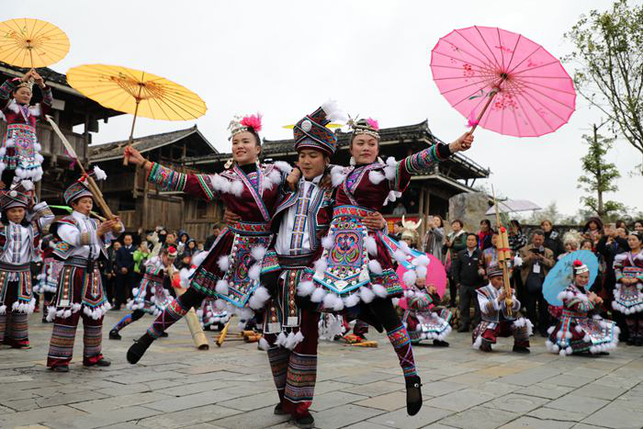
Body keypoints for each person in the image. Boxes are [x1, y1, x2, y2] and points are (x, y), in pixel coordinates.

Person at [299, 116, 473, 416]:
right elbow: (306, 148)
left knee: (389, 317)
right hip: (334, 254)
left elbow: (413, 163)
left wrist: (450, 147)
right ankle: (297, 393)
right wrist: (322, 116)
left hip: (365, 252)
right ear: (350, 148)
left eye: (371, 143)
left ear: (378, 147)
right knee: (305, 302)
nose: (366, 147)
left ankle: (411, 377)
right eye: (360, 143)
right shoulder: (337, 174)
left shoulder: (384, 171)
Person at [124, 113, 290, 364]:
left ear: (258, 148)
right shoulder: (224, 180)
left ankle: (282, 342)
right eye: (235, 142)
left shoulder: (276, 172)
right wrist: (145, 164)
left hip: (268, 246)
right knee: (193, 295)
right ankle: (149, 335)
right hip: (233, 245)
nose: (240, 146)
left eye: (246, 141)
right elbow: (186, 181)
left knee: (276, 289)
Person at [46, 169, 122, 372]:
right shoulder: (65, 222)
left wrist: (115, 225)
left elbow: (113, 236)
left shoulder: (94, 221)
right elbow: (75, 239)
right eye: (85, 202)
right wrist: (99, 231)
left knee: (95, 314)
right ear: (74, 204)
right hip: (73, 271)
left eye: (90, 201)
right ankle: (59, 360)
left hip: (93, 271)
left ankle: (93, 356)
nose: (89, 205)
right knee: (68, 313)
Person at [0, 181, 54, 347]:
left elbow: (49, 216)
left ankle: (18, 338)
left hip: (23, 272)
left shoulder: (32, 227)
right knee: (1, 305)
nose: (17, 214)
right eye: (13, 211)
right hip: (2, 271)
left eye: (20, 210)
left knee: (21, 305)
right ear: (5, 212)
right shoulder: (1, 227)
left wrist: (32, 205)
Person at [546, 260, 619, 355]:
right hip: (571, 325)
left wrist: (598, 301)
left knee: (606, 329)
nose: (583, 280)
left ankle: (595, 347)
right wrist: (592, 300)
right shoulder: (568, 292)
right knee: (590, 339)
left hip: (582, 322)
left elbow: (591, 309)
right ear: (574, 277)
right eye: (581, 277)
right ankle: (586, 347)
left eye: (586, 277)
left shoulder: (584, 290)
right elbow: (581, 308)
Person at [109, 247, 177, 339]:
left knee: (165, 310)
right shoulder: (154, 260)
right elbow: (148, 269)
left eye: (172, 260)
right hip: (147, 290)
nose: (170, 262)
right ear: (164, 255)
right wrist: (162, 271)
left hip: (158, 291)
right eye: (168, 259)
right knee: (137, 314)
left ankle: (158, 329)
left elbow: (176, 273)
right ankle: (115, 330)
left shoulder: (170, 265)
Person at [0, 69, 52, 186]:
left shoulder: (34, 111)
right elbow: (2, 93)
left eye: (28, 94)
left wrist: (41, 84)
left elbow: (48, 102)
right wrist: (22, 80)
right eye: (22, 93)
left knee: (27, 184)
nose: (26, 95)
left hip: (29, 150)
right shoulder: (10, 107)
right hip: (12, 148)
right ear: (14, 94)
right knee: (8, 180)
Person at [472, 268, 531, 353]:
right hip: (490, 322)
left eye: (502, 279)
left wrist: (511, 302)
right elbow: (484, 308)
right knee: (487, 337)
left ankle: (519, 345)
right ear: (490, 279)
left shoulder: (507, 289)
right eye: (498, 279)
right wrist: (499, 299)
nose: (501, 282)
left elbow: (517, 307)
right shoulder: (482, 291)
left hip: (506, 322)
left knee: (521, 324)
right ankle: (485, 344)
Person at [519, 230, 555, 336]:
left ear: (543, 240)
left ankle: (543, 329)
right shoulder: (524, 250)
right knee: (530, 307)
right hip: (529, 281)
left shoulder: (548, 251)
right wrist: (529, 257)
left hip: (544, 282)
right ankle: (531, 328)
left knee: (544, 307)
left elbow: (552, 264)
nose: (538, 241)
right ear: (532, 239)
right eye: (536, 239)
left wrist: (543, 259)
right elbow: (518, 263)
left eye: (540, 239)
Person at [401, 276, 452, 347]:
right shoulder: (410, 291)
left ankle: (438, 339)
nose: (422, 284)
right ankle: (414, 339)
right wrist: (430, 295)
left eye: (424, 281)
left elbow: (437, 302)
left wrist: (434, 293)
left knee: (445, 312)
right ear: (415, 281)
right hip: (414, 315)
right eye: (419, 282)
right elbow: (417, 304)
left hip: (426, 313)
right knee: (416, 324)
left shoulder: (427, 288)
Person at [613, 232, 643, 346]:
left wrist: (637, 279)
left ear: (640, 241)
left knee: (640, 311)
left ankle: (640, 335)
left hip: (640, 286)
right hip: (625, 286)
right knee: (627, 309)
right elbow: (616, 268)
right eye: (629, 240)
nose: (631, 242)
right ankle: (631, 335)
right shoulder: (623, 255)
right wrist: (621, 278)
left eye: (634, 239)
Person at [452, 233, 485, 332]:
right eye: (468, 240)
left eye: (472, 240)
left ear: (476, 242)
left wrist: (483, 272)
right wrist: (457, 282)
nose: (470, 242)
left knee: (478, 306)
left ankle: (477, 325)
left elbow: (485, 267)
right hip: (464, 284)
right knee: (463, 306)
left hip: (477, 285)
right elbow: (456, 269)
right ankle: (464, 325)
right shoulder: (461, 254)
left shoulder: (480, 254)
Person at [444, 219, 467, 307]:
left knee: (459, 281)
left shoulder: (463, 235)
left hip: (459, 260)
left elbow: (464, 245)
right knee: (451, 281)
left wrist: (452, 245)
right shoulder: (450, 235)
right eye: (453, 224)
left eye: (457, 224)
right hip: (450, 260)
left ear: (461, 226)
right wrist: (445, 245)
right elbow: (446, 246)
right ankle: (452, 301)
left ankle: (462, 302)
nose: (455, 226)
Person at [114, 233, 136, 310]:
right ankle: (117, 305)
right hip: (121, 272)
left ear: (132, 240)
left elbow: (134, 261)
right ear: (123, 240)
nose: (127, 241)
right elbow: (117, 260)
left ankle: (134, 305)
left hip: (131, 273)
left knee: (132, 289)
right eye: (126, 239)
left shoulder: (135, 249)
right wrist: (122, 268)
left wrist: (127, 268)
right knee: (119, 289)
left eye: (129, 239)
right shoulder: (120, 249)